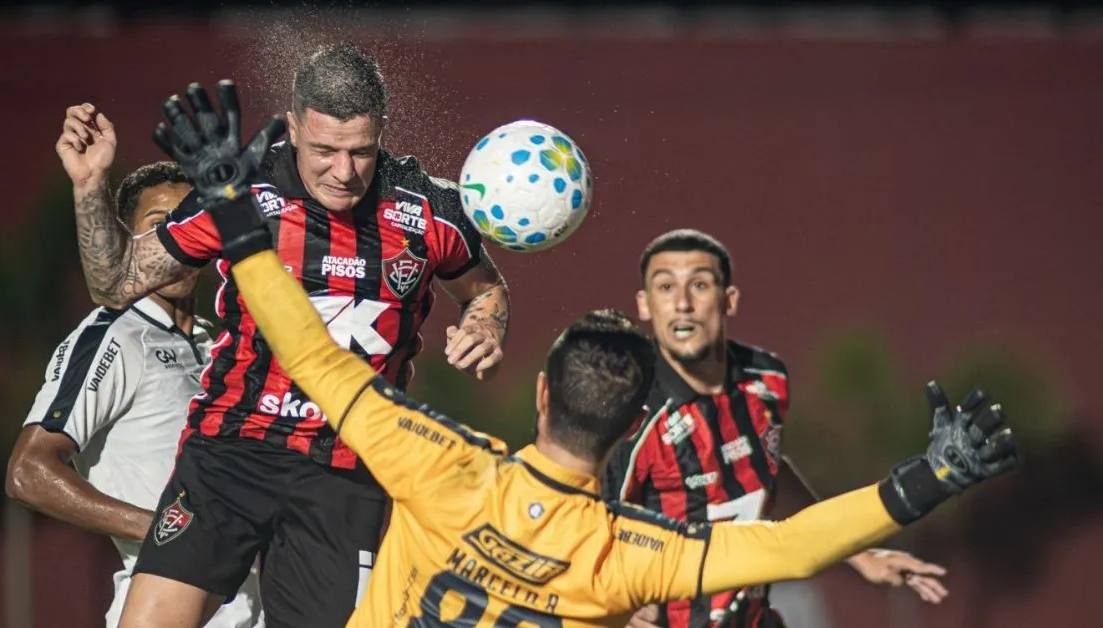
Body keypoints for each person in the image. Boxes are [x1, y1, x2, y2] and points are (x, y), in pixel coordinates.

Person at [146, 80, 1020, 627]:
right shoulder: (627, 553)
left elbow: (311, 354)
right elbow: (790, 550)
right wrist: (925, 483)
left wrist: (232, 207)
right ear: (633, 423)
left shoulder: (436, 467)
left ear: (538, 398)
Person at [64, 44, 511, 627]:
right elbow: (115, 281)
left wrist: (485, 322)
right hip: (229, 454)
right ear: (295, 127)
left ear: (382, 132)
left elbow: (486, 287)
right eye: (325, 150)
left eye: (361, 152)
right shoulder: (239, 188)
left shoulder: (430, 210)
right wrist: (89, 184)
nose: (344, 171)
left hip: (346, 475)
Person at [605, 229, 949, 628]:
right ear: (645, 306)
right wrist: (617, 607)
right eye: (666, 287)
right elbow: (586, 518)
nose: (683, 304)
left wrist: (859, 554)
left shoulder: (765, 379)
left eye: (699, 284)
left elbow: (767, 472)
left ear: (729, 298)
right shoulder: (631, 410)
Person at [4, 155, 263, 628]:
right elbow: (27, 472)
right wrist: (168, 532)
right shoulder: (115, 334)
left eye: (190, 221)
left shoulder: (218, 342)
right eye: (159, 224)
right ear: (126, 239)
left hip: (250, 605)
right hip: (163, 602)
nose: (176, 237)